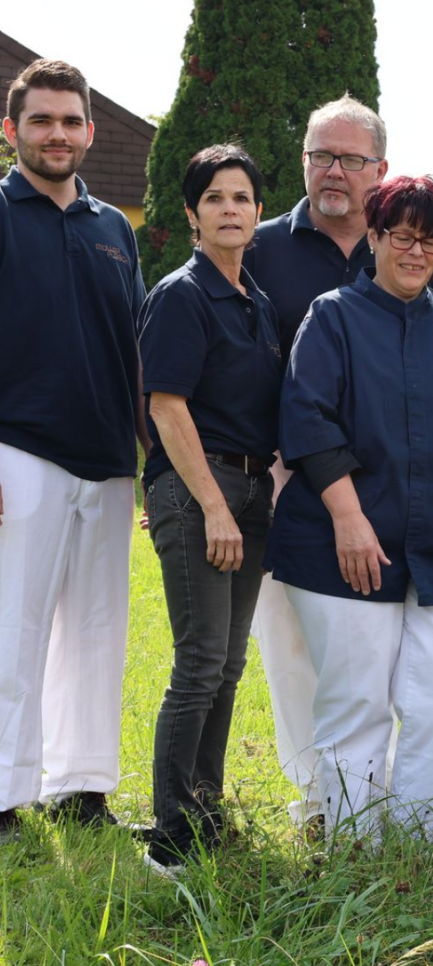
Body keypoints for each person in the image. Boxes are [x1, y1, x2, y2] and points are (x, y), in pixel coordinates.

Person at [265, 175, 433, 840]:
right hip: (339, 546)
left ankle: (411, 849)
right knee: (356, 706)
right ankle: (355, 854)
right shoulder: (333, 317)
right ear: (373, 237)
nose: (415, 252)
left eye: (430, 241)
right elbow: (308, 420)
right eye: (402, 236)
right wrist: (348, 520)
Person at [243, 95, 433, 828]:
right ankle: (320, 806)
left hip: (386, 497)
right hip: (281, 485)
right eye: (320, 156)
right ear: (304, 160)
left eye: (350, 158)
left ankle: (378, 808)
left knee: (366, 666)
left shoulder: (421, 261)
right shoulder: (261, 249)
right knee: (294, 655)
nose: (333, 171)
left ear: (381, 170)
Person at [0, 59, 147, 841]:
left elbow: (136, 351)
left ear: (90, 130)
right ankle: (2, 795)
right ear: (12, 130)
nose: (57, 134)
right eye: (41, 120)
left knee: (97, 631)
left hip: (109, 458)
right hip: (17, 450)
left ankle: (81, 789)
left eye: (70, 121)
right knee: (11, 628)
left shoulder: (113, 228)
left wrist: (152, 463)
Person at [137, 144, 282, 872]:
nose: (232, 209)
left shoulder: (256, 301)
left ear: (259, 212)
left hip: (253, 492)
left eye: (244, 198)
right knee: (198, 663)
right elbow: (167, 407)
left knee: (227, 666)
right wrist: (211, 508)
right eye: (217, 198)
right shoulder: (182, 295)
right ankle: (171, 834)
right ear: (192, 213)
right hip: (204, 492)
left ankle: (205, 806)